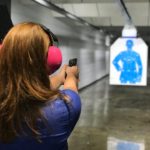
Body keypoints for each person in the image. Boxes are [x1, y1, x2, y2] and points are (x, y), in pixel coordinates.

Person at [0, 22, 81, 150]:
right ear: (48, 60)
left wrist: (59, 78)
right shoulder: (64, 109)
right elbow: (71, 90)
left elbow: (27, 87)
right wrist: (70, 75)